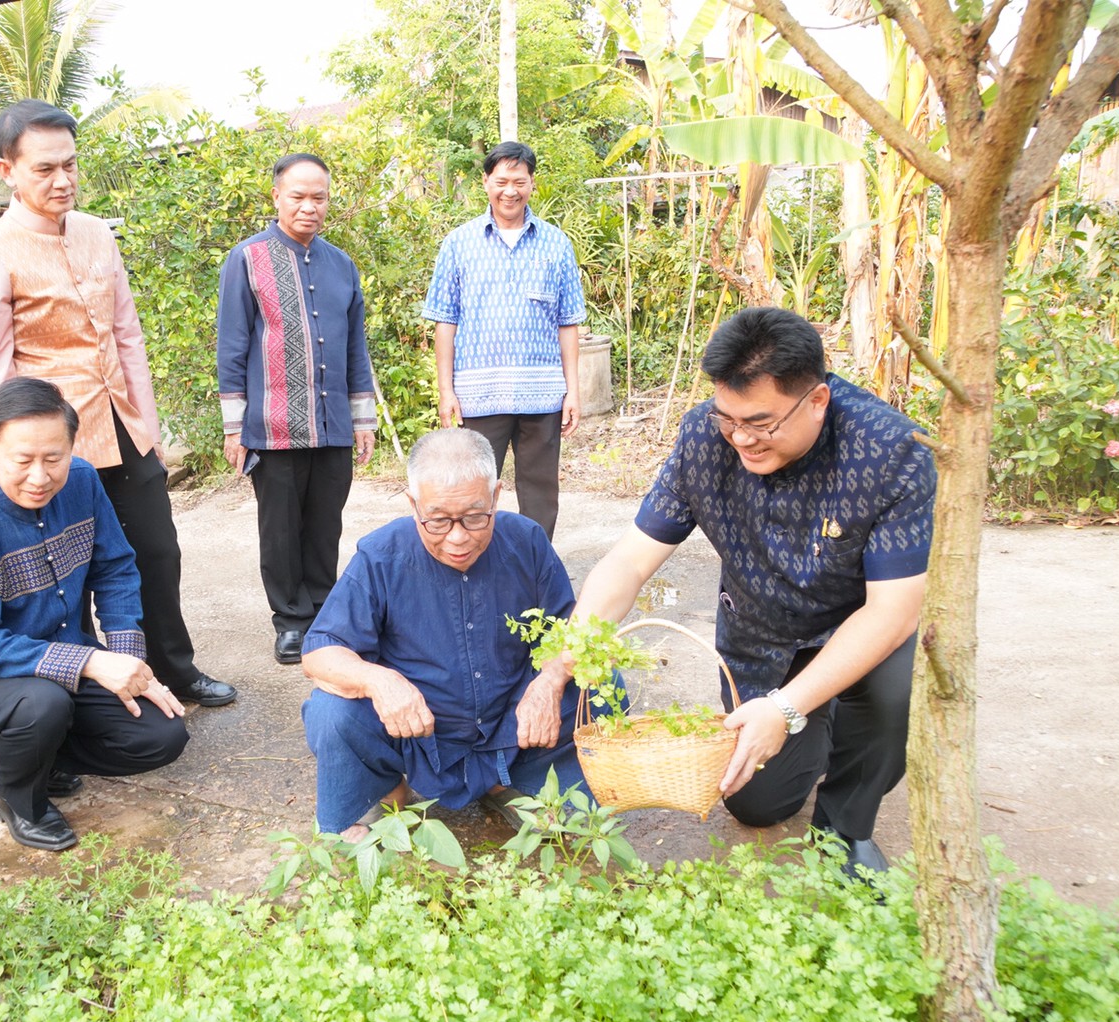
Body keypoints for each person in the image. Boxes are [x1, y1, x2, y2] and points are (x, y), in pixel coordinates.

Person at [546, 307, 936, 878]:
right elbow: (630, 560)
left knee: (888, 697)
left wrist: (784, 708)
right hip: (761, 636)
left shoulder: (891, 452)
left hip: (857, 632)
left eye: (762, 422)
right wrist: (580, 641)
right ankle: (815, 720)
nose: (743, 439)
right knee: (756, 802)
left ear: (818, 400)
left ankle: (847, 826)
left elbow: (893, 613)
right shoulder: (706, 437)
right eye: (728, 418)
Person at [0, 99, 236, 708]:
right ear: (7, 171)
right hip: (55, 439)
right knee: (68, 570)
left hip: (122, 425)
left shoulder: (96, 233)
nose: (62, 180)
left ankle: (174, 670)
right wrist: (17, 451)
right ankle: (84, 688)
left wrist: (149, 424)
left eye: (71, 165)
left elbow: (126, 332)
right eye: (44, 169)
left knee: (156, 553)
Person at [0, 378, 189, 851]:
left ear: (71, 447)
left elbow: (115, 567)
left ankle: (43, 755)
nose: (39, 477)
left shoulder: (83, 482)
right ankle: (19, 798)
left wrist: (128, 663)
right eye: (22, 461)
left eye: (53, 458)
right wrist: (92, 663)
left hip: (58, 665)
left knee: (160, 736)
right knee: (42, 704)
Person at [300, 428, 584, 841]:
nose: (457, 537)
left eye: (474, 517)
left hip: (512, 723)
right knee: (332, 711)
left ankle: (514, 783)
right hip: (418, 731)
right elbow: (320, 653)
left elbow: (571, 632)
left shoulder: (527, 542)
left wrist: (550, 681)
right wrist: (380, 681)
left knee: (597, 683)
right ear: (413, 504)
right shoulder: (381, 555)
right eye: (437, 520)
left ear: (496, 496)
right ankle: (380, 793)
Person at [216, 152, 377, 666]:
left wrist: (362, 419)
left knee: (325, 523)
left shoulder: (341, 264)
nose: (309, 207)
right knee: (280, 529)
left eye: (319, 197)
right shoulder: (246, 259)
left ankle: (325, 617)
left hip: (332, 428)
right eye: (299, 196)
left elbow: (356, 348)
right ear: (277, 197)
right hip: (273, 425)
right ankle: (290, 621)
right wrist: (234, 427)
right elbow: (233, 345)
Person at [421, 141, 586, 540]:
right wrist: (447, 391)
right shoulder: (459, 243)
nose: (509, 190)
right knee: (475, 490)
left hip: (542, 394)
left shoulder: (555, 243)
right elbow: (445, 320)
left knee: (541, 492)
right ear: (485, 182)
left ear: (532, 184)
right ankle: (479, 561)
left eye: (519, 181)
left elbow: (568, 323)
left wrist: (573, 392)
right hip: (479, 395)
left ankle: (536, 565)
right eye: (501, 181)